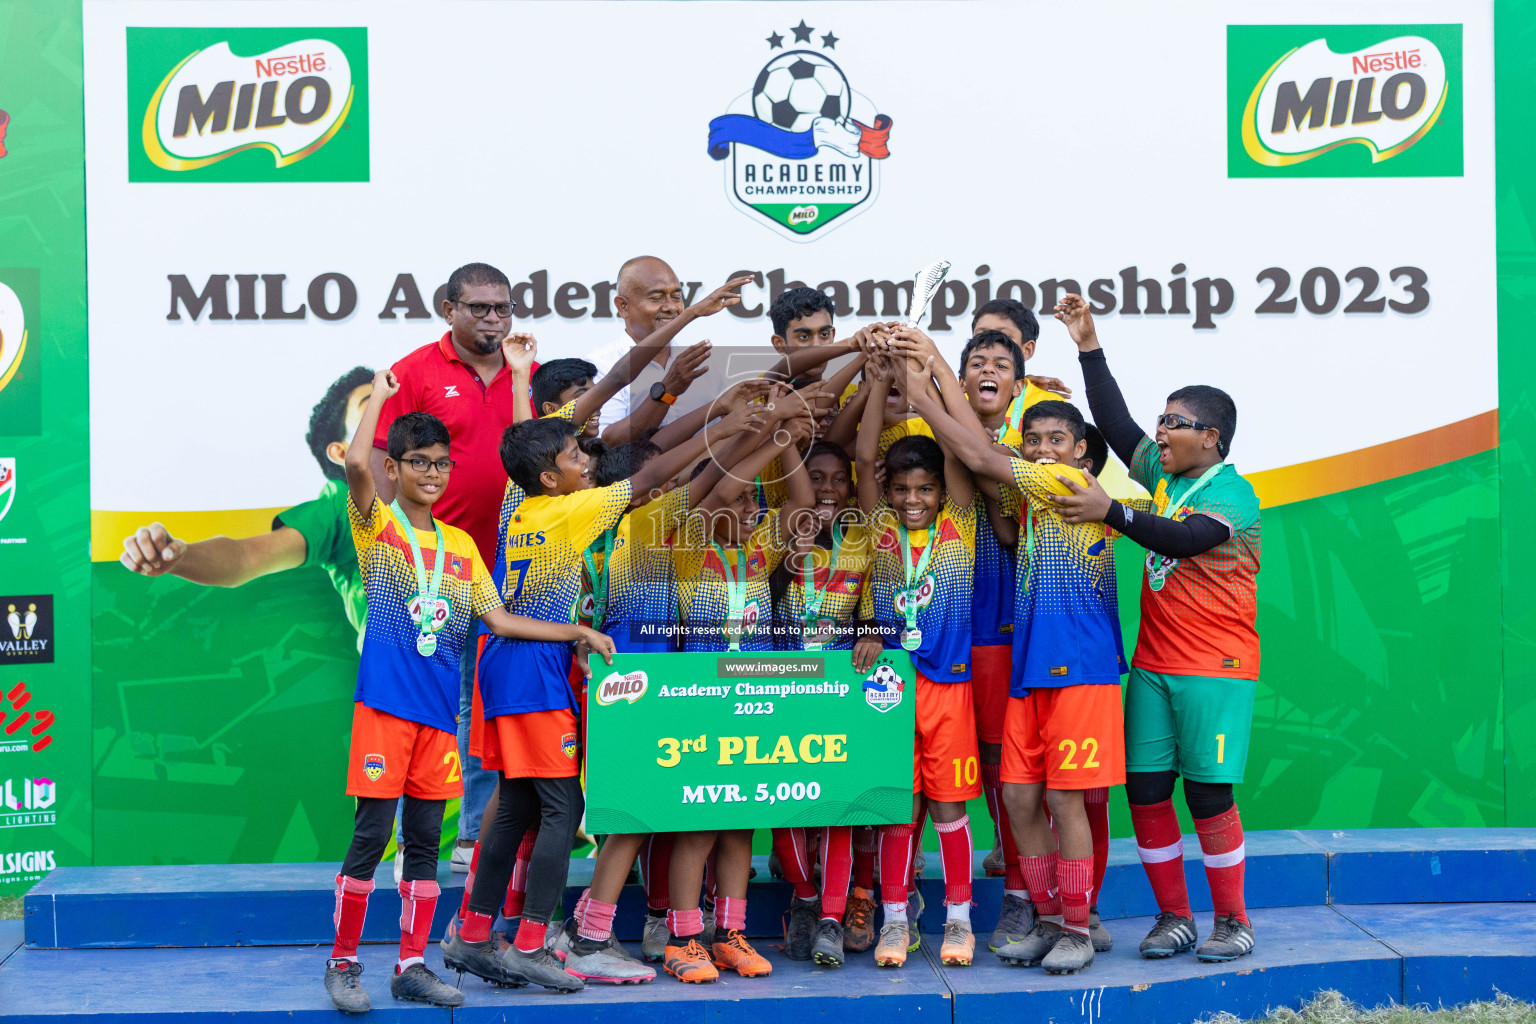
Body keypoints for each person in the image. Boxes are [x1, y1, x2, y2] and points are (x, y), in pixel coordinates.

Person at [442, 276, 754, 992]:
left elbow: (607, 389)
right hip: (529, 671)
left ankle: (472, 934)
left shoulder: (525, 497)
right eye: (579, 456)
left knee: (519, 806)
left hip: (513, 663)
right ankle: (533, 944)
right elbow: (654, 476)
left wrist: (690, 326)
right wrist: (729, 428)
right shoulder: (570, 509)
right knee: (563, 810)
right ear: (555, 476)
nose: (590, 457)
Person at [323, 370, 611, 1014]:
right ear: (394, 468)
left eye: (441, 464)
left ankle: (410, 966)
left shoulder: (460, 547)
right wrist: (376, 398)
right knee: (372, 838)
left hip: (435, 721)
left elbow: (501, 619)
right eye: (417, 463)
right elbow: (357, 476)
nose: (432, 473)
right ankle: (343, 964)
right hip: (384, 712)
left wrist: (574, 631)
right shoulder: (381, 532)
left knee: (426, 844)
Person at [1047, 293, 1261, 964]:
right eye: (1163, 419)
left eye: (1175, 422)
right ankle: (1174, 917)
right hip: (1154, 667)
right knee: (1144, 790)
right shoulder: (1164, 476)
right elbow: (1114, 423)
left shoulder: (1233, 491)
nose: (1160, 432)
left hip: (1217, 669)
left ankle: (1233, 920)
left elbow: (1184, 539)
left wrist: (1109, 510)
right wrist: (1088, 343)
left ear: (1212, 438)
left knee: (1207, 793)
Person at [905, 370, 1126, 975]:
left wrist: (922, 387)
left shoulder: (1065, 482)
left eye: (1057, 439)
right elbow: (997, 514)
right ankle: (1052, 919)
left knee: (1065, 799)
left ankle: (1078, 927)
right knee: (1021, 799)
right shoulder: (1029, 503)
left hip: (1080, 669)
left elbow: (980, 452)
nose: (1043, 450)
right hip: (1031, 671)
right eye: (1033, 440)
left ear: (1080, 452)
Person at [371, 263, 541, 873]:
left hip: (520, 573)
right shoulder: (416, 371)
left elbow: (544, 456)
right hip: (431, 571)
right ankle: (410, 844)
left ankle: (474, 838)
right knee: (423, 707)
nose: (493, 319)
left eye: (502, 308)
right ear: (449, 308)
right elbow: (379, 463)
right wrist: (399, 550)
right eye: (479, 308)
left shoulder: (531, 373)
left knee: (492, 708)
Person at [852, 353, 980, 970]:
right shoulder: (878, 524)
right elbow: (862, 458)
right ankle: (895, 922)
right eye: (902, 489)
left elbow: (962, 454)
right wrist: (880, 381)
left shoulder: (962, 522)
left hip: (949, 688)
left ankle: (960, 922)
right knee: (895, 812)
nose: (912, 499)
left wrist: (926, 384)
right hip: (891, 687)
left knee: (950, 811)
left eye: (924, 489)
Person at [118, 366, 373, 648]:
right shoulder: (342, 509)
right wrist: (181, 557)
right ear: (343, 453)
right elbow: (244, 557)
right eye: (372, 405)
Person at [769, 441, 871, 968]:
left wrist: (869, 634)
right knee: (784, 803)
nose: (827, 489)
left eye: (838, 479)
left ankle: (830, 917)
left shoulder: (865, 546)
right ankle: (805, 901)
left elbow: (879, 617)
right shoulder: (772, 540)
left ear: (853, 488)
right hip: (778, 694)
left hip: (837, 700)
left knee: (836, 808)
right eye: (816, 478)